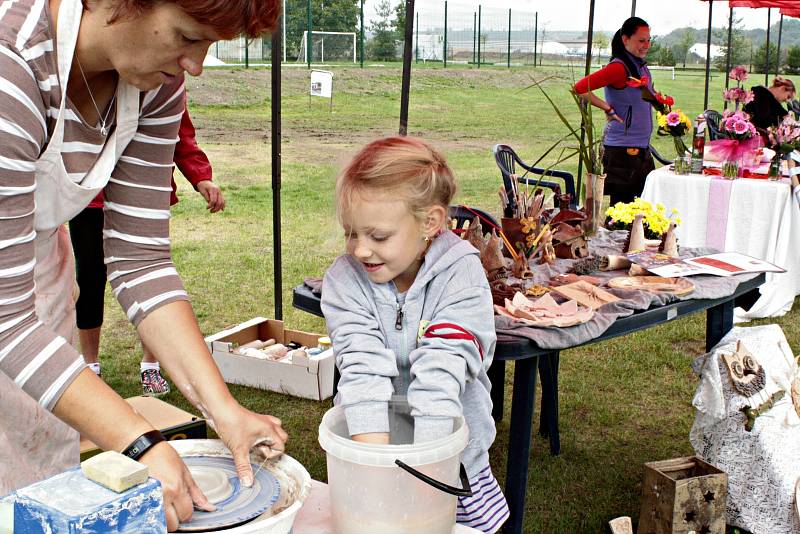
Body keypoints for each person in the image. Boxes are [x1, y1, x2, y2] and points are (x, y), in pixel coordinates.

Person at [0, 0, 285, 530]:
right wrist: (143, 442)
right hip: (8, 303)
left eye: (208, 45)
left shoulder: (157, 81)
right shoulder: (10, 65)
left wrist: (224, 410)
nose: (195, 65)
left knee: (40, 476)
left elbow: (140, 258)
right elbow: (7, 323)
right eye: (186, 37)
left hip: (34, 269)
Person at [320, 136, 510, 533]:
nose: (360, 250)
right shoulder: (344, 281)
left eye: (378, 236)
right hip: (371, 450)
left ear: (430, 222)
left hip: (449, 462)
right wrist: (380, 477)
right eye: (351, 233)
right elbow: (361, 371)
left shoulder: (461, 275)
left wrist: (426, 479)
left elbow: (443, 374)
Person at [69, 100, 225, 396]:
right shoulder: (86, 73)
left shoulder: (164, 79)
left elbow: (179, 133)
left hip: (143, 193)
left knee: (149, 278)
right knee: (89, 278)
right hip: (89, 195)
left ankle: (150, 365)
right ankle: (90, 366)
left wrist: (201, 176)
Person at [574, 16, 655, 204]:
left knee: (643, 208)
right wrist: (607, 107)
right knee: (621, 210)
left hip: (641, 147)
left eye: (649, 40)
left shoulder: (639, 65)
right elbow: (580, 87)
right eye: (641, 40)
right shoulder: (619, 67)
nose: (646, 45)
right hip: (623, 150)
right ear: (625, 39)